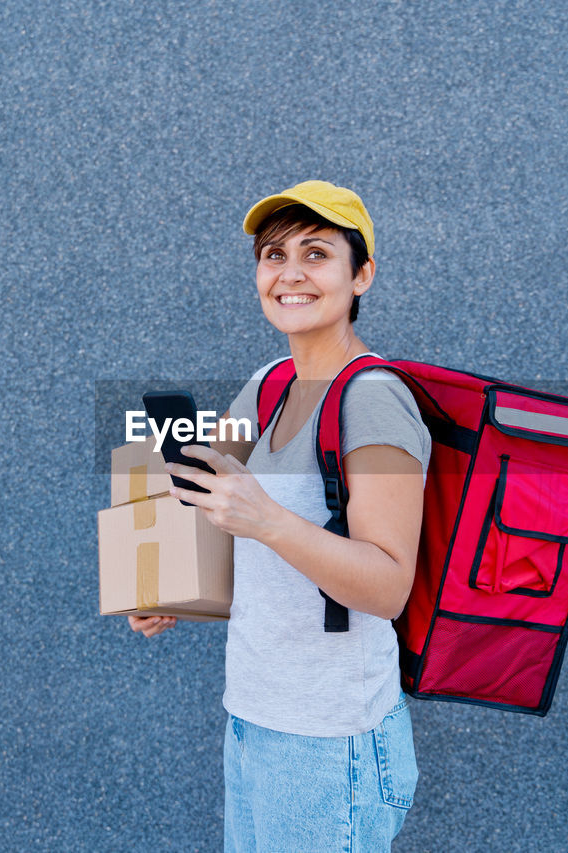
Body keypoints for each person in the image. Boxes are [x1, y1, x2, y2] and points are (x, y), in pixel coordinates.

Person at [129, 180, 431, 851]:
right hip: (254, 717)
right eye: (273, 255)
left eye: (317, 253)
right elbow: (220, 510)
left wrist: (266, 517)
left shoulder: (375, 401)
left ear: (362, 275)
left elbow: (386, 585)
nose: (290, 273)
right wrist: (173, 592)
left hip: (330, 744)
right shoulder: (268, 383)